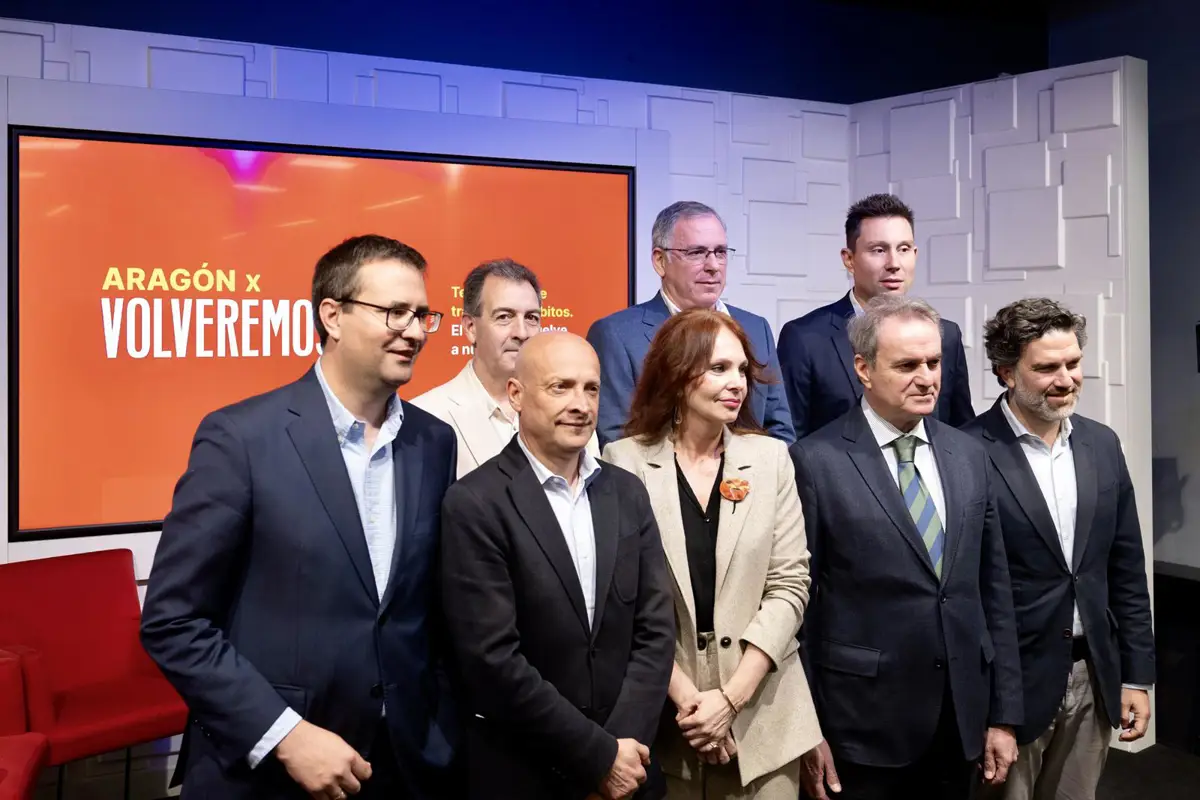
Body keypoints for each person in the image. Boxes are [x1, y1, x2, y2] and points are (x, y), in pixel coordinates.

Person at [140, 234, 460, 800]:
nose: (413, 331)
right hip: (269, 772)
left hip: (404, 764)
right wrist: (284, 736)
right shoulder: (241, 437)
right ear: (332, 316)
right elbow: (173, 621)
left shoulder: (433, 442)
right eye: (393, 312)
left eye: (421, 314)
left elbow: (422, 611)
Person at [789, 294, 1022, 800]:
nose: (926, 377)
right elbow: (799, 609)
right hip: (861, 724)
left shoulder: (969, 453)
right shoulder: (814, 460)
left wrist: (1003, 715)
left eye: (934, 362)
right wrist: (806, 729)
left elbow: (993, 589)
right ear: (864, 369)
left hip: (960, 716)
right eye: (907, 364)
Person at [439, 332, 676, 799]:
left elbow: (655, 631)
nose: (581, 404)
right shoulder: (475, 503)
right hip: (525, 770)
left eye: (591, 388)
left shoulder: (627, 493)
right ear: (516, 396)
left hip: (631, 769)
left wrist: (620, 754)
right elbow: (492, 660)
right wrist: (596, 758)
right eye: (560, 387)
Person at [603, 309, 823, 799]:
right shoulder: (624, 462)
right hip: (670, 716)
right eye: (719, 369)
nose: (738, 383)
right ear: (678, 375)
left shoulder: (769, 459)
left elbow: (790, 582)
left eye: (743, 370)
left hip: (763, 709)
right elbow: (626, 601)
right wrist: (689, 700)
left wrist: (731, 697)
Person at [963, 298, 1155, 800]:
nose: (1066, 378)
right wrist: (993, 712)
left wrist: (1136, 675)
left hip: (1092, 674)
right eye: (1046, 368)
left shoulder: (1102, 444)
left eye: (1072, 363)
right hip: (1008, 687)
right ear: (1006, 371)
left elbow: (1126, 568)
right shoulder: (966, 451)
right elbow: (966, 594)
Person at [587, 201, 795, 448]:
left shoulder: (755, 328)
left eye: (720, 252)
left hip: (748, 484)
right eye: (697, 253)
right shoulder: (616, 335)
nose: (713, 266)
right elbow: (617, 443)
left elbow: (780, 432)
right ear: (660, 261)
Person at [776, 193, 974, 439]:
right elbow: (790, 439)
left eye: (903, 249)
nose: (894, 263)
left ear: (915, 254)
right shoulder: (805, 338)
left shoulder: (947, 334)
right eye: (879, 250)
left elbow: (960, 431)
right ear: (849, 260)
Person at [412, 258, 597, 477]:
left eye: (531, 318)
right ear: (470, 328)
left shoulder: (573, 413)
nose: (522, 332)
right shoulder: (427, 417)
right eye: (504, 317)